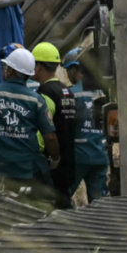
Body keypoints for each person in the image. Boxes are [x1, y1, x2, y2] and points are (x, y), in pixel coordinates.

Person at [0, 46, 60, 208]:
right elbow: (50, 137)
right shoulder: (36, 100)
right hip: (25, 171)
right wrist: (55, 159)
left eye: (6, 67)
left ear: (10, 71)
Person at [31, 42, 77, 207]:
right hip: (69, 162)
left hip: (53, 166)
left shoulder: (45, 93)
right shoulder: (68, 92)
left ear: (39, 67)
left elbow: (45, 133)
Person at [64, 48, 112, 204]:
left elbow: (66, 126)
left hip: (78, 157)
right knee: (100, 204)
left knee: (62, 197)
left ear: (77, 69)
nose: (68, 76)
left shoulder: (70, 94)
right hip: (100, 156)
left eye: (69, 71)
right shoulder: (106, 93)